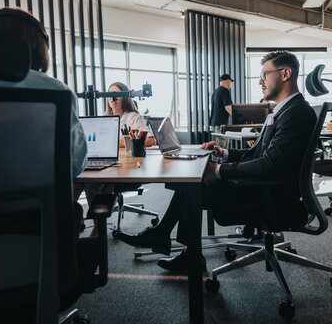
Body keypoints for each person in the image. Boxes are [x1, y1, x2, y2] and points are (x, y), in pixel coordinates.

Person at [116, 51, 316, 272]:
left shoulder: (296, 112)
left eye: (264, 75)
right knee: (191, 183)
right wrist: (224, 154)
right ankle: (175, 244)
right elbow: (260, 155)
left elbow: (269, 165)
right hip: (265, 187)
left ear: (286, 73)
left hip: (273, 197)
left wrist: (219, 170)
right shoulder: (284, 111)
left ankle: (179, 248)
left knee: (193, 186)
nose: (260, 81)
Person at [0, 7, 87, 235]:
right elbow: (75, 164)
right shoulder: (56, 91)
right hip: (37, 221)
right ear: (39, 48)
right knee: (72, 211)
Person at [105, 81, 156, 148]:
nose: (112, 98)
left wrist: (123, 143)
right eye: (110, 94)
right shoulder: (104, 118)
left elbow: (151, 140)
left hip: (125, 157)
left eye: (116, 95)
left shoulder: (132, 117)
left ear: (125, 98)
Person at [210, 74, 234, 146]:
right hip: (221, 125)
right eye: (230, 82)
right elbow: (228, 107)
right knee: (222, 148)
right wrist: (237, 118)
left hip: (215, 124)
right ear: (227, 81)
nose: (231, 84)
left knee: (217, 147)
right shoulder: (225, 91)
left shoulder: (216, 91)